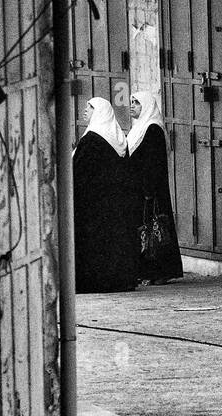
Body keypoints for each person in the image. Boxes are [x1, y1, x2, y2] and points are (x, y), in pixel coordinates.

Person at [73, 97, 140, 293]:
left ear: (99, 113)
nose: (85, 110)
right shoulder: (118, 138)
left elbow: (78, 173)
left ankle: (93, 282)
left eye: (90, 107)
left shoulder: (92, 139)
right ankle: (119, 280)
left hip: (91, 206)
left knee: (94, 245)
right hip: (115, 205)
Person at [126, 90, 183, 284]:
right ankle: (149, 272)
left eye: (136, 103)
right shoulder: (139, 128)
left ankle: (159, 273)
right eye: (131, 102)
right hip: (141, 189)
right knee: (146, 232)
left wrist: (148, 191)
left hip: (151, 191)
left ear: (147, 106)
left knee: (155, 230)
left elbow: (153, 163)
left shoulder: (153, 129)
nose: (132, 106)